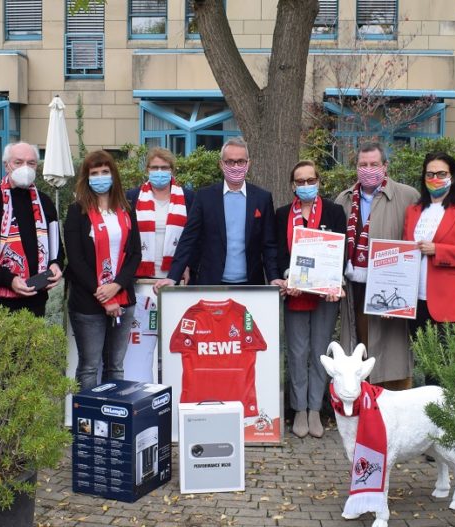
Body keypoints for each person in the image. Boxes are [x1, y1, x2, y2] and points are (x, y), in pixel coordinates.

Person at [336, 142, 419, 390]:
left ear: (385, 166)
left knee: (392, 346)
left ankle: (396, 398)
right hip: (355, 287)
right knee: (361, 344)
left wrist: (404, 291)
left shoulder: (408, 196)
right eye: (363, 165)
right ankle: (364, 398)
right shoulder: (344, 199)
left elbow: (414, 241)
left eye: (374, 164)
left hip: (391, 288)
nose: (368, 169)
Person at [153, 137, 284, 292]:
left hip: (251, 285)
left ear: (248, 163)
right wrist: (173, 277)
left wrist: (274, 277)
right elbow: (189, 239)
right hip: (212, 283)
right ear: (222, 164)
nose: (236, 166)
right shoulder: (205, 197)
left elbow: (268, 244)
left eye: (241, 161)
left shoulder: (262, 198)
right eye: (230, 162)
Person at [275, 160, 346, 438]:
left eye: (310, 180)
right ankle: (299, 409)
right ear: (293, 185)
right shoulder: (282, 214)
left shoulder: (334, 211)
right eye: (300, 181)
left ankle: (315, 408)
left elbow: (342, 251)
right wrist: (286, 275)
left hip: (326, 296)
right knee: (297, 353)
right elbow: (278, 252)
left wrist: (335, 281)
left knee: (319, 351)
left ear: (319, 180)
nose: (305, 186)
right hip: (295, 294)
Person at [403, 152, 455, 382]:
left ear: (452, 176)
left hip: (446, 303)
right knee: (424, 363)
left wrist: (438, 250)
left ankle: (443, 416)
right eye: (430, 174)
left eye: (441, 173)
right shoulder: (414, 211)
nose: (435, 178)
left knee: (443, 368)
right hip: (415, 301)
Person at [64, 150, 142, 390]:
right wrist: (103, 294)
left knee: (115, 366)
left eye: (104, 172)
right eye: (94, 173)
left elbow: (135, 254)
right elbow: (75, 260)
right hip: (88, 301)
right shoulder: (77, 212)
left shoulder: (127, 209)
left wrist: (116, 286)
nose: (100, 177)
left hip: (123, 298)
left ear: (113, 175)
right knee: (89, 366)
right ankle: (87, 426)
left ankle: (113, 423)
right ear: (86, 178)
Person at [0, 142, 64, 317]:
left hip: (37, 299)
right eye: (18, 162)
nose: (25, 168)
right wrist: (10, 280)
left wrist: (56, 264)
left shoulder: (45, 203)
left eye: (31, 163)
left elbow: (57, 247)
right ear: (6, 165)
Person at [126, 147, 194, 281]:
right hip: (140, 276)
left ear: (172, 170)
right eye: (155, 167)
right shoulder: (132, 197)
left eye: (164, 168)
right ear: (147, 170)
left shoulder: (188, 198)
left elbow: (194, 238)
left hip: (176, 276)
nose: (159, 171)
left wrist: (188, 265)